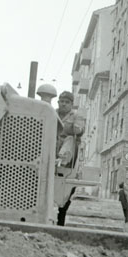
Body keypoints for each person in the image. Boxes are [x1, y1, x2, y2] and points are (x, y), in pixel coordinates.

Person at [55, 91, 85, 226]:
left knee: (70, 139)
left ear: (71, 104)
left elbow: (79, 131)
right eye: (61, 101)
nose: (63, 104)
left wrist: (77, 128)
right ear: (58, 102)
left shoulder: (76, 116)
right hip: (52, 146)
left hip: (68, 155)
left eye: (67, 102)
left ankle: (61, 160)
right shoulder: (51, 113)